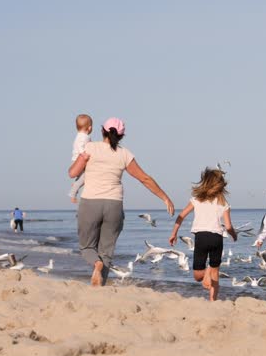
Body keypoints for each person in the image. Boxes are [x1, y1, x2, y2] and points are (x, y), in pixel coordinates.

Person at [68, 117, 174, 286]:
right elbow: (144, 178)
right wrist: (165, 197)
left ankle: (96, 264)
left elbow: (73, 173)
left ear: (102, 131)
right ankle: (99, 286)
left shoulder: (90, 147)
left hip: (90, 202)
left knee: (87, 247)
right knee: (106, 252)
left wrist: (82, 162)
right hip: (114, 205)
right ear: (121, 136)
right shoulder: (124, 154)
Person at [168, 168, 237, 301]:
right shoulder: (224, 203)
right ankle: (212, 298)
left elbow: (181, 216)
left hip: (201, 238)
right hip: (217, 239)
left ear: (204, 182)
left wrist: (174, 233)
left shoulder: (196, 199)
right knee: (214, 271)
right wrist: (234, 235)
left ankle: (208, 280)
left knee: (197, 276)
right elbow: (228, 226)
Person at [68, 114, 93, 203]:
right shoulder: (82, 136)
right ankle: (73, 193)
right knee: (85, 177)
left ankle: (76, 184)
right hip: (78, 160)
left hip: (80, 160)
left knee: (85, 177)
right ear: (89, 128)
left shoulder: (82, 135)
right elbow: (79, 146)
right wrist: (83, 154)